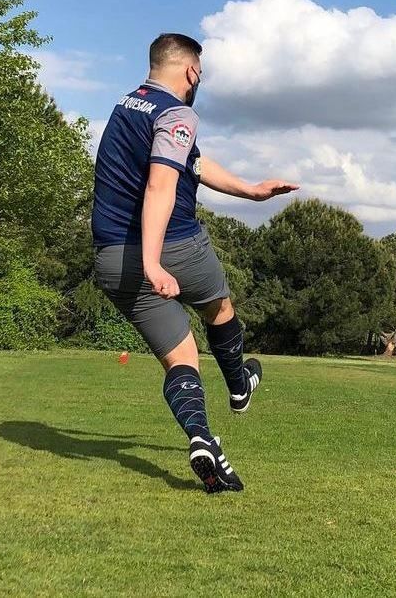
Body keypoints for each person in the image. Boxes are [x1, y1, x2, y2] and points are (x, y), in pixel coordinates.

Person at [91, 33, 298, 493]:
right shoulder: (177, 112)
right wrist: (153, 262)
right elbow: (161, 185)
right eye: (198, 74)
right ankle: (240, 387)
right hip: (173, 248)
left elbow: (194, 165)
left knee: (182, 359)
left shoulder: (126, 106)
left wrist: (250, 189)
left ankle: (203, 438)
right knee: (220, 309)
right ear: (190, 71)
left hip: (110, 259)